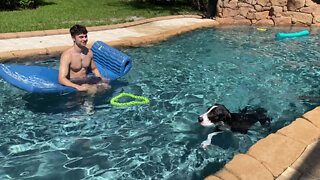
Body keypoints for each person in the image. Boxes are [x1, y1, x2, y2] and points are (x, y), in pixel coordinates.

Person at [59, 24, 110, 94]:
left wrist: (100, 78)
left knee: (106, 86)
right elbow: (61, 79)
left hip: (86, 79)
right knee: (92, 89)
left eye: (86, 36)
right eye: (81, 37)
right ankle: (88, 104)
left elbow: (94, 69)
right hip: (74, 81)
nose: (85, 39)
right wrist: (77, 86)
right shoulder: (67, 56)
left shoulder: (89, 52)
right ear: (73, 38)